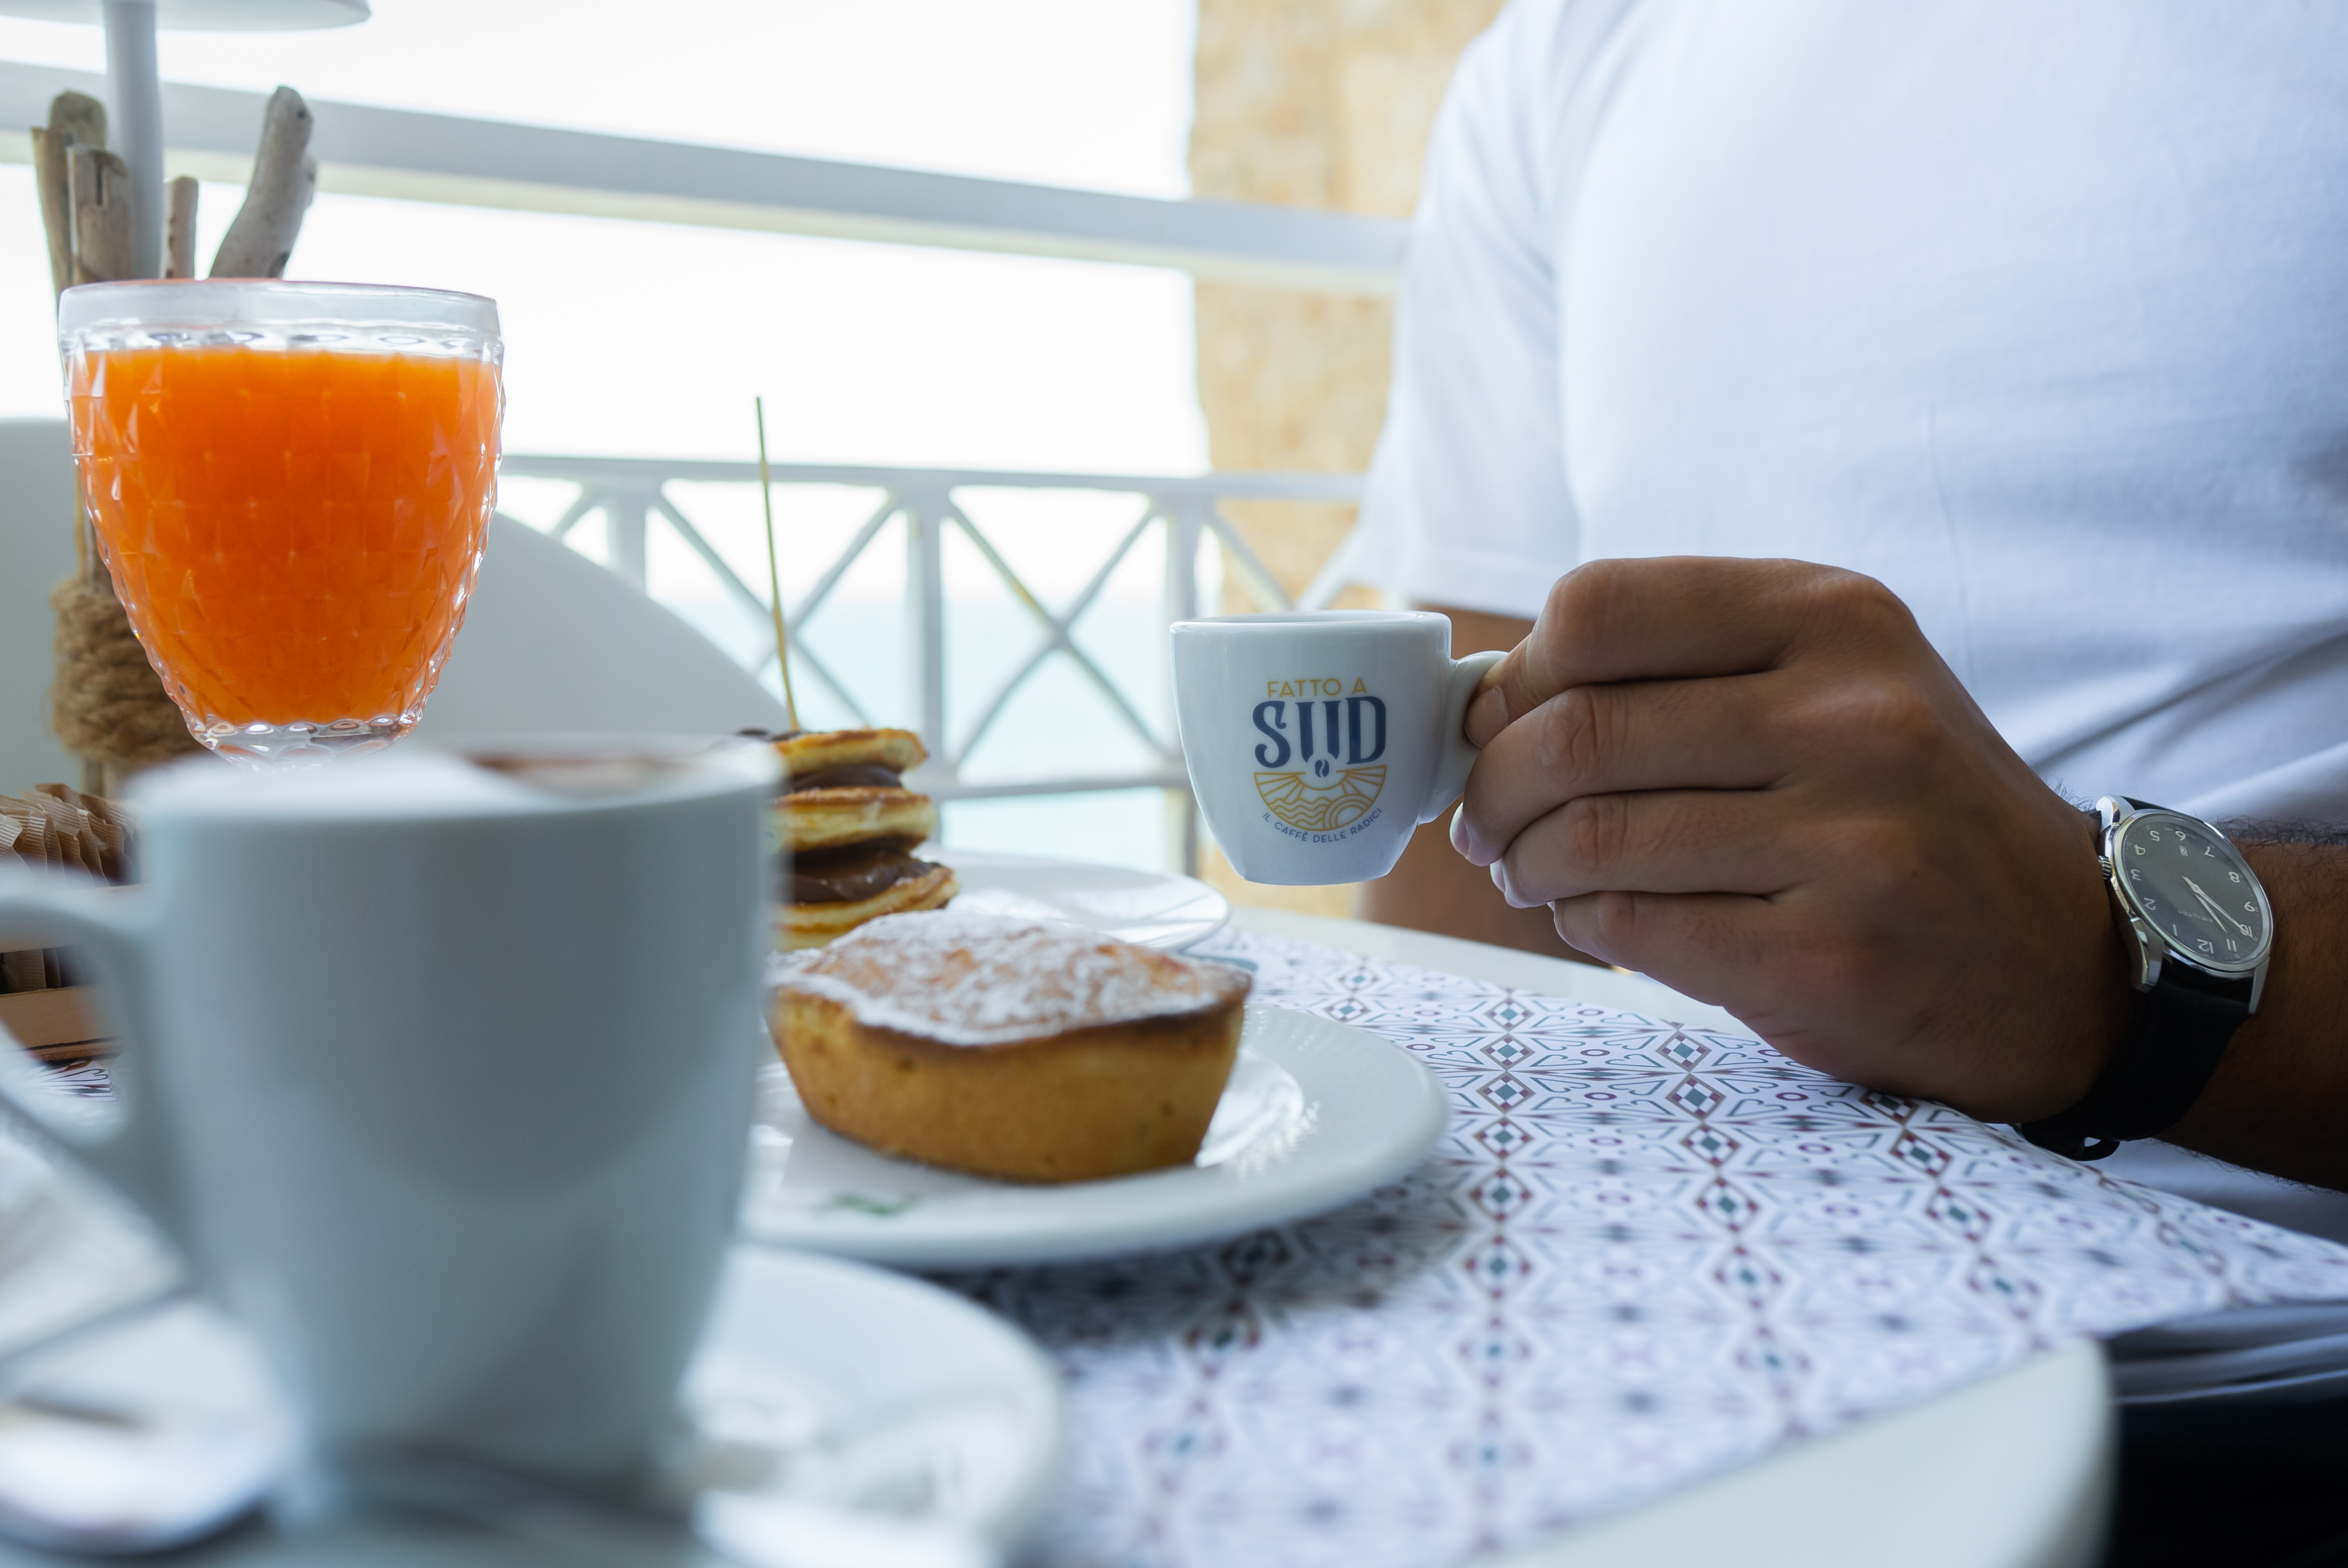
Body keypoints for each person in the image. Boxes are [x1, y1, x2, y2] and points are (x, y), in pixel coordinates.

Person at [1348, 0, 2348, 1206]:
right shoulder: (1562, 53)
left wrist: (2093, 971)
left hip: (2262, 1336)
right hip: (1647, 1279)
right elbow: (1459, 841)